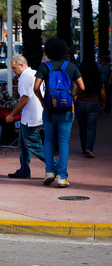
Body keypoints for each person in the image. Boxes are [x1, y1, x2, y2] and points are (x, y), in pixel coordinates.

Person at [34, 37, 85, 188]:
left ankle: (49, 172)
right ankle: (62, 177)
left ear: (48, 52)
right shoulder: (70, 67)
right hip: (66, 110)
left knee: (48, 141)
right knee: (63, 142)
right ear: (64, 52)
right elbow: (82, 86)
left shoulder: (45, 67)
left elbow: (36, 88)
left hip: (49, 110)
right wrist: (73, 97)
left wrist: (43, 100)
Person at [6, 55, 45, 179]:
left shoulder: (24, 77)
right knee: (24, 145)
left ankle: (56, 166)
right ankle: (24, 170)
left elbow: (24, 98)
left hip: (31, 118)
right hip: (34, 116)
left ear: (21, 65)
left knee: (34, 145)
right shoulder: (34, 73)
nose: (13, 71)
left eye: (14, 68)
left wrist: (12, 114)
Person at [75, 59, 106, 158]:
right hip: (93, 103)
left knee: (82, 127)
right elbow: (102, 91)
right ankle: (89, 147)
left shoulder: (79, 76)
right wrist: (103, 103)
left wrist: (75, 97)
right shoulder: (97, 77)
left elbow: (75, 88)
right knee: (92, 127)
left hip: (80, 103)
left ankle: (84, 148)